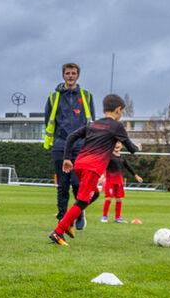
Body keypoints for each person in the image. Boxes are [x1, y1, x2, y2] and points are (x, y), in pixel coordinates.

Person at [49, 94, 138, 246]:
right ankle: (58, 231)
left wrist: (67, 158)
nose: (121, 114)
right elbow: (131, 148)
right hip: (92, 168)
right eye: (122, 112)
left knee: (94, 194)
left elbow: (71, 137)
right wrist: (138, 147)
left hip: (80, 164)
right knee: (82, 201)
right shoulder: (117, 126)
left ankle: (69, 222)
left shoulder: (93, 124)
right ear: (118, 110)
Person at [43, 64, 94, 230]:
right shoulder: (53, 96)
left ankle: (79, 212)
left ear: (78, 76)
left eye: (73, 73)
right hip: (60, 144)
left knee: (78, 183)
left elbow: (91, 121)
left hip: (80, 145)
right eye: (67, 73)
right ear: (63, 75)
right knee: (62, 184)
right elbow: (48, 120)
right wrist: (57, 139)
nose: (70, 76)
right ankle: (62, 219)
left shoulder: (86, 96)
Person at [100, 141, 142, 222]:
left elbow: (128, 167)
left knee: (119, 199)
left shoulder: (122, 158)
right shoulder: (109, 156)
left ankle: (117, 218)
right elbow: (102, 165)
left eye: (119, 143)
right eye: (115, 143)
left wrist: (136, 176)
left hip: (119, 182)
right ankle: (104, 217)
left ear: (121, 146)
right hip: (110, 181)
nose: (117, 145)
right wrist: (100, 176)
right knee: (109, 198)